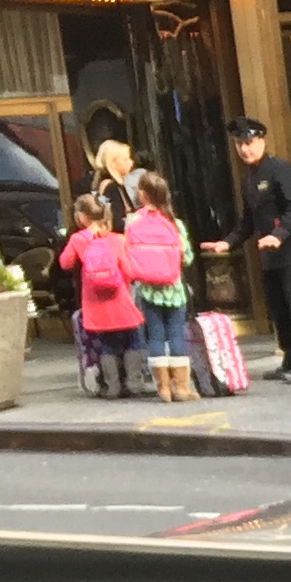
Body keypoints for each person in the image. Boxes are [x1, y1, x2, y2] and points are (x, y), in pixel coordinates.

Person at [199, 116, 291, 382]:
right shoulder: (248, 179)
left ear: (261, 141)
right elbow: (248, 220)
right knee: (279, 309)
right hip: (270, 254)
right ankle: (290, 358)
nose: (245, 149)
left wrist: (278, 235)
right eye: (239, 144)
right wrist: (228, 242)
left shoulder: (281, 170)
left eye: (249, 142)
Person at [56, 196, 142, 397]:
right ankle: (134, 383)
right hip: (120, 297)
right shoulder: (118, 239)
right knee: (133, 340)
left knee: (106, 345)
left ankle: (113, 387)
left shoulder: (79, 239)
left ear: (82, 216)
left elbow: (65, 263)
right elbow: (129, 270)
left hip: (95, 301)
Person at [122, 171, 194, 399]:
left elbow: (129, 254)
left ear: (142, 195)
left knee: (155, 337)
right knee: (176, 336)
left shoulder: (134, 221)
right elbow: (187, 258)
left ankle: (163, 388)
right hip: (175, 291)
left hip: (148, 290)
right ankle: (181, 388)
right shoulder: (175, 223)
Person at [87, 138, 139, 233]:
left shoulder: (100, 184)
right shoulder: (112, 188)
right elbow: (116, 222)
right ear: (113, 162)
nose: (131, 162)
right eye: (125, 159)